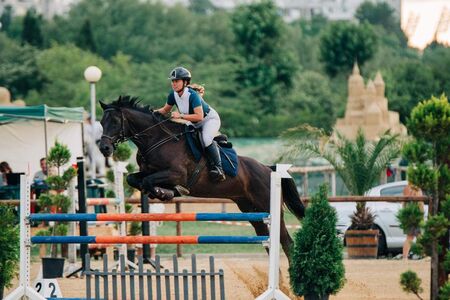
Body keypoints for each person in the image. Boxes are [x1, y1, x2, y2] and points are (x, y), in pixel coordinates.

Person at [156, 67, 225, 182]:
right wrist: (148, 113)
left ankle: (219, 169)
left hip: (209, 119)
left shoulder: (192, 95)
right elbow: (164, 110)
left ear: (185, 82)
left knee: (206, 139)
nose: (174, 84)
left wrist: (180, 116)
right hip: (193, 121)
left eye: (177, 81)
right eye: (172, 81)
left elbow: (199, 117)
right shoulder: (173, 95)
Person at [402, 182, 424, 260]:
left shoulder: (406, 188)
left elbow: (403, 203)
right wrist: (422, 214)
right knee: (417, 236)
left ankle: (405, 257)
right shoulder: (417, 189)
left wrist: (404, 213)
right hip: (416, 214)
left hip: (408, 214)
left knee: (411, 237)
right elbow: (420, 203)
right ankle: (424, 255)